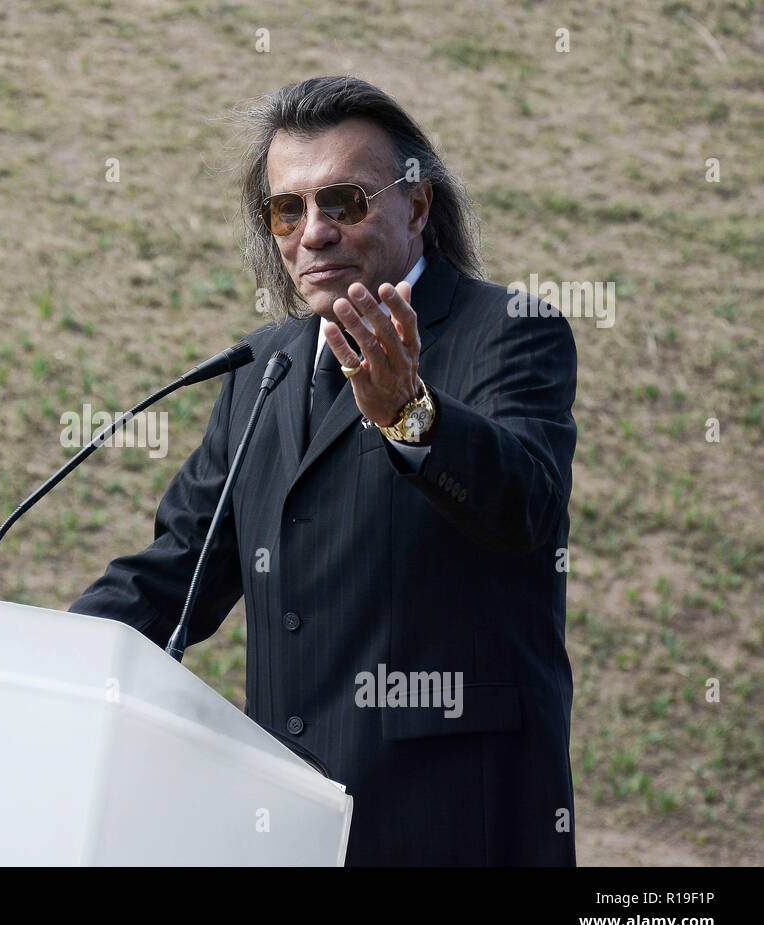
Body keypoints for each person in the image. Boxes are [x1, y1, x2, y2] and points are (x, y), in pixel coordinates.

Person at [69, 76, 578, 866]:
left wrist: (411, 413)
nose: (313, 233)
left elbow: (526, 509)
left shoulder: (508, 332)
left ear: (417, 207)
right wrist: (39, 654)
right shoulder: (259, 368)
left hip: (456, 823)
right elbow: (177, 573)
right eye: (287, 209)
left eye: (342, 201)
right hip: (291, 822)